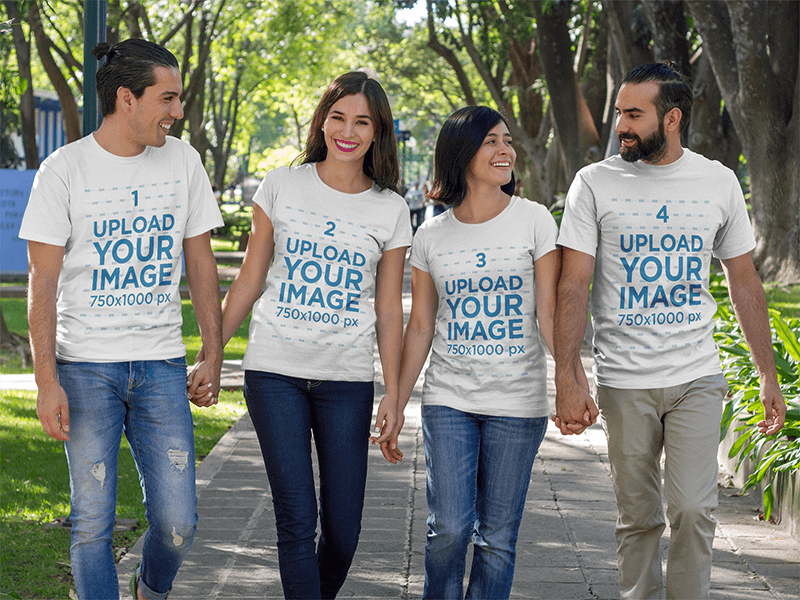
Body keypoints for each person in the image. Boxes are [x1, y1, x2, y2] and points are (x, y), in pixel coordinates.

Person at [553, 61, 786, 600]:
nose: (621, 126)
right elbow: (573, 285)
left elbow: (745, 284)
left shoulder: (718, 181)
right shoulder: (595, 182)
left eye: (634, 114)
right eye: (619, 113)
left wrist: (767, 375)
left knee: (693, 509)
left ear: (673, 117)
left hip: (696, 375)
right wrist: (569, 374)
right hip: (624, 380)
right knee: (638, 517)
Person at [20, 39, 223, 600]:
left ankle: (150, 588)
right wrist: (46, 381)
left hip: (160, 366)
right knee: (91, 523)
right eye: (169, 98)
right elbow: (43, 283)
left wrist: (213, 349)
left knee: (180, 524)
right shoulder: (63, 170)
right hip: (85, 369)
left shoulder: (183, 160)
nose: (178, 111)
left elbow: (201, 260)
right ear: (127, 99)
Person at [196, 70, 411, 599]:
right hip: (274, 373)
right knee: (296, 518)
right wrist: (211, 354)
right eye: (338, 117)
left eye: (362, 121)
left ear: (378, 131)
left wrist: (395, 394)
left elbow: (388, 310)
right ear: (322, 121)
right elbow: (249, 279)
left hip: (347, 381)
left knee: (344, 530)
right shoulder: (281, 185)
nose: (348, 131)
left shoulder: (390, 208)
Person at [387, 105, 560, 599]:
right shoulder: (431, 235)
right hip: (450, 400)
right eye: (491, 141)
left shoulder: (534, 221)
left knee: (497, 540)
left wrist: (571, 378)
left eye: (507, 140)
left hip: (518, 402)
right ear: (462, 153)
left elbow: (548, 315)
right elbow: (420, 325)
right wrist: (396, 400)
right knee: (450, 528)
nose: (505, 150)